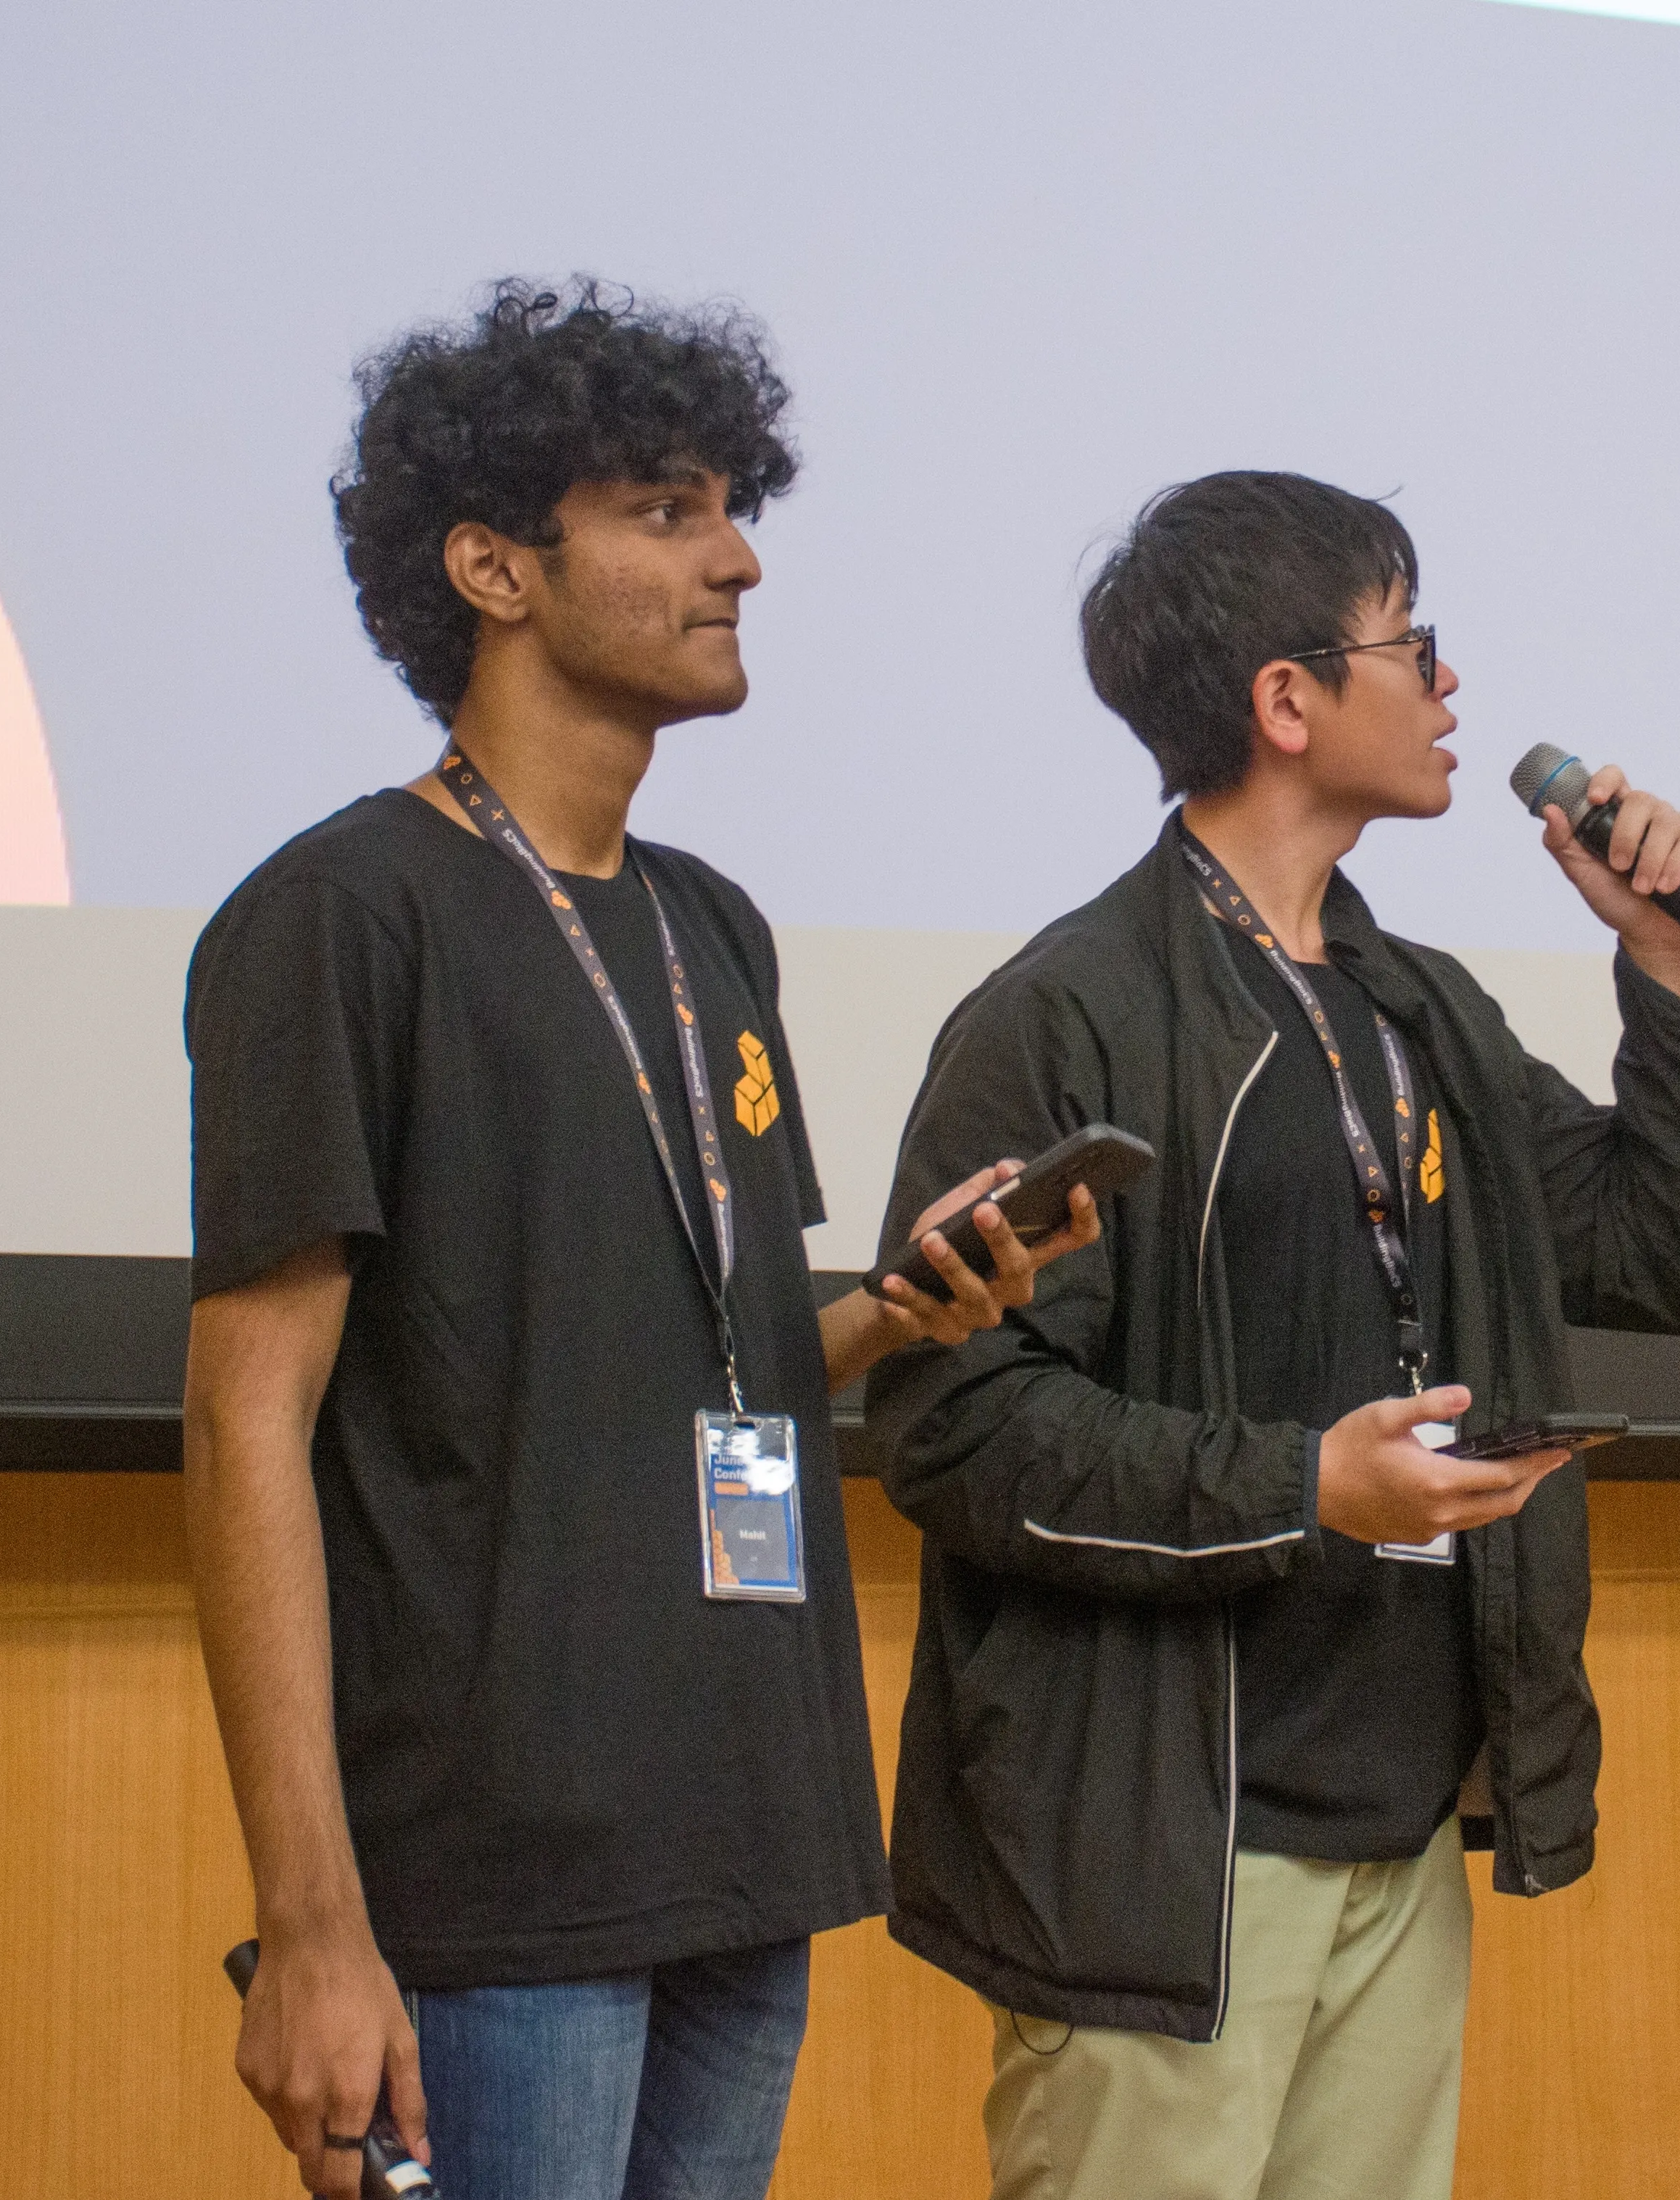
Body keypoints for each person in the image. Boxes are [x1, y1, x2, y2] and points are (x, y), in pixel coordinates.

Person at [179, 280, 1094, 2200]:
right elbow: (244, 1420)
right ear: (496, 568)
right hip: (503, 1878)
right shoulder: (344, 916)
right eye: (668, 514)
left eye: (727, 509)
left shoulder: (711, 929)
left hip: (746, 1825)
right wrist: (317, 1924)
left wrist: (891, 1314)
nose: (739, 557)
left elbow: (701, 1361)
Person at [865, 470, 1680, 2199]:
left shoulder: (1413, 1004)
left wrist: (1671, 967)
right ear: (1287, 700)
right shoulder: (1067, 1012)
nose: (1451, 690)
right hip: (1165, 1854)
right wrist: (1304, 1486)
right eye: (1413, 642)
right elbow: (955, 1422)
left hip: (1402, 1822)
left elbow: (1674, 1251)